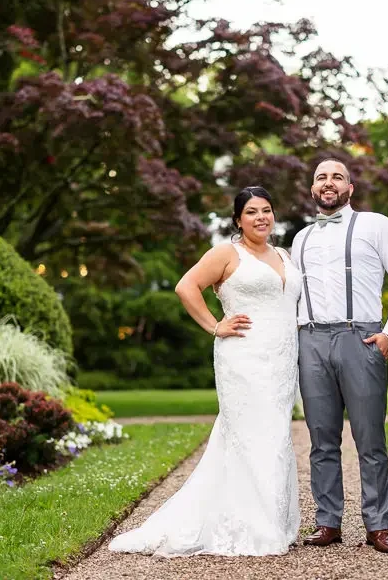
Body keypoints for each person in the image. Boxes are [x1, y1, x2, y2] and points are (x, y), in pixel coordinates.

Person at [108, 186, 302, 557]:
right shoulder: (227, 254)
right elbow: (186, 287)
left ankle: (272, 520)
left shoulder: (283, 255)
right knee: (251, 435)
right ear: (237, 220)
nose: (261, 217)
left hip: (281, 361)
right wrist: (215, 325)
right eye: (251, 212)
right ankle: (253, 528)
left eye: (267, 210)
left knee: (275, 436)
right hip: (243, 357)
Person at [291, 159, 388, 555]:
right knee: (321, 441)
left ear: (350, 186)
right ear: (312, 189)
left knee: (369, 439)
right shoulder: (300, 239)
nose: (328, 183)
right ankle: (328, 522)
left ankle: (378, 525)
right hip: (310, 340)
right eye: (320, 177)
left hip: (360, 338)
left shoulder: (377, 225)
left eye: (336, 177)